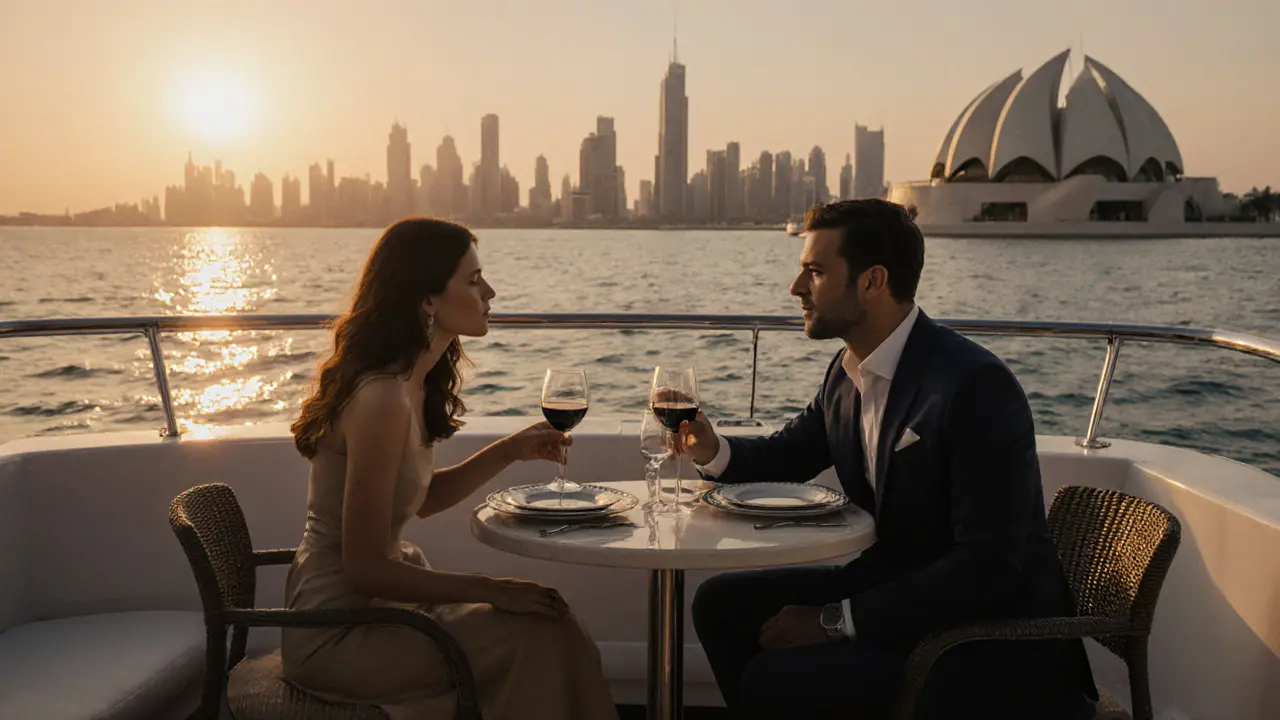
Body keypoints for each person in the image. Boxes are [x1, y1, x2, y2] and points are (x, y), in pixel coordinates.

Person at [679, 200, 1098, 719]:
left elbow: (989, 567)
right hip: (896, 590)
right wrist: (711, 449)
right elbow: (791, 452)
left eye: (815, 271)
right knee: (720, 606)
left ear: (873, 281)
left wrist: (836, 620)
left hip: (986, 640)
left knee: (777, 679)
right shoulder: (847, 370)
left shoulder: (972, 385)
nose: (796, 288)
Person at [284, 217, 618, 720]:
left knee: (553, 623)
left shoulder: (409, 385)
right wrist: (491, 589)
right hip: (338, 630)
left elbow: (421, 498)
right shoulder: (381, 398)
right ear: (427, 299)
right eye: (473, 279)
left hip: (381, 612)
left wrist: (508, 450)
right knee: (539, 634)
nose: (491, 291)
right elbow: (366, 567)